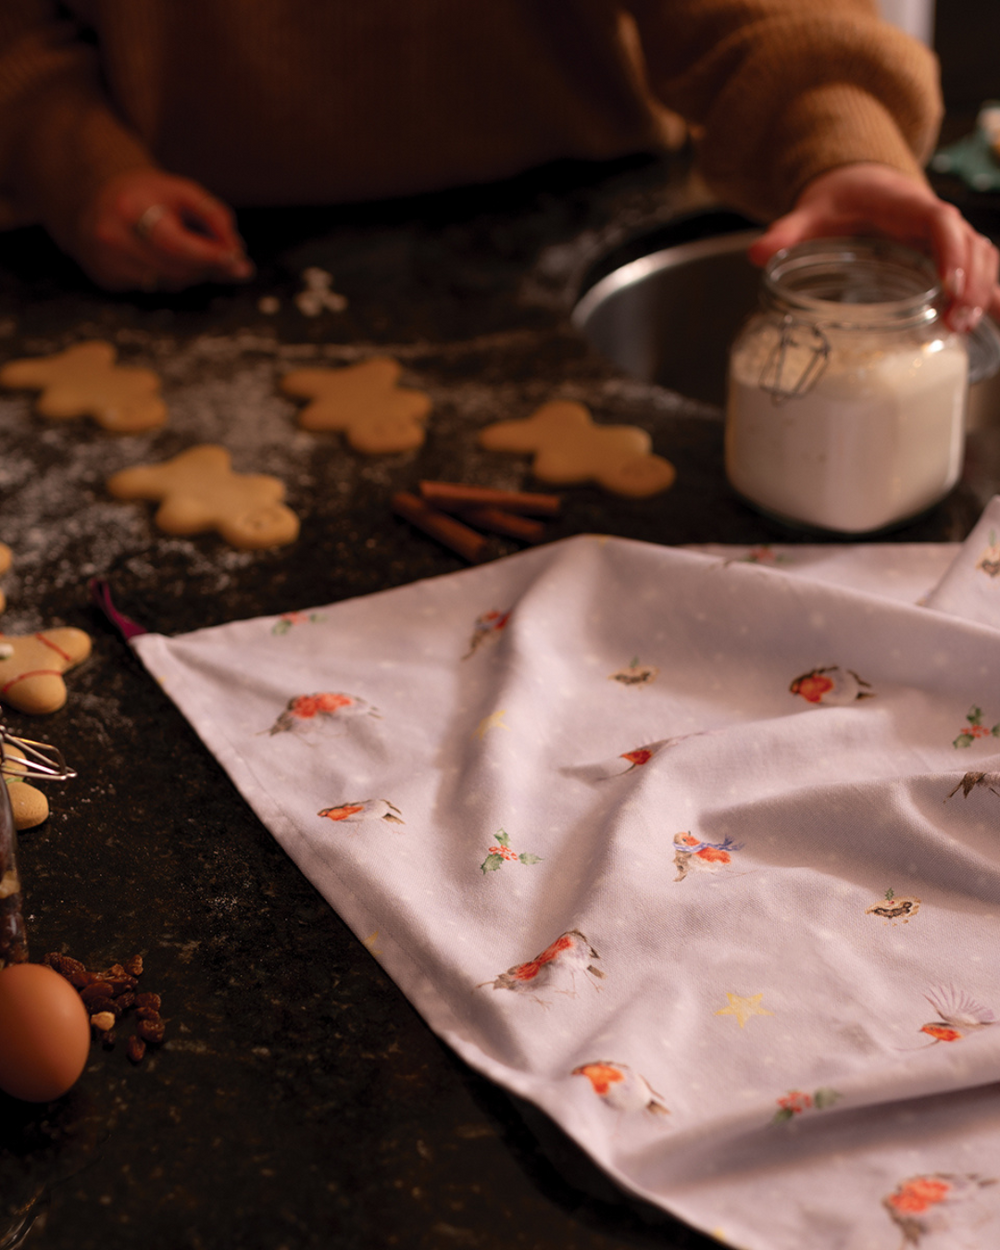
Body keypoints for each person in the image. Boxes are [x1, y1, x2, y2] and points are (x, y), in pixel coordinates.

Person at [0, 0, 996, 331]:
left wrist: (837, 136)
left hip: (584, 228)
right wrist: (71, 153)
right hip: (175, 249)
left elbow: (760, 9)